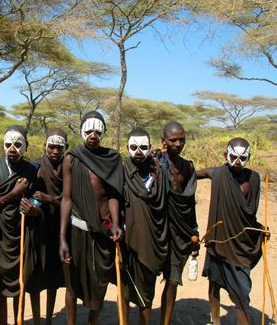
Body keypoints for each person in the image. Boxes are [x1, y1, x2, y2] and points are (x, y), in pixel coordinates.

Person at [59, 111, 125, 325]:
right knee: (72, 282)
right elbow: (67, 199)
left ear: (103, 132)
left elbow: (113, 195)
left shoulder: (112, 159)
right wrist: (62, 238)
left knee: (100, 282)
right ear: (81, 132)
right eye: (89, 131)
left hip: (103, 231)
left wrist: (115, 223)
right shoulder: (72, 158)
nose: (93, 135)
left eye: (98, 131)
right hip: (77, 228)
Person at [197, 137, 267, 325]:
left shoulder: (253, 178)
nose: (237, 162)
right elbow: (191, 174)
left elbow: (249, 214)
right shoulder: (217, 174)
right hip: (218, 240)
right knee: (214, 283)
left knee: (242, 294)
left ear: (249, 157)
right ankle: (215, 320)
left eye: (242, 158)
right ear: (225, 155)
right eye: (233, 157)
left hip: (240, 245)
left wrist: (259, 229)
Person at [0, 125, 44, 325]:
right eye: (9, 144)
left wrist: (34, 209)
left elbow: (36, 199)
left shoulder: (31, 169)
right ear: (3, 145)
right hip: (0, 234)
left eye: (18, 144)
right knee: (0, 282)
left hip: (22, 232)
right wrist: (15, 193)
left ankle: (18, 320)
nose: (13, 148)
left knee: (20, 281)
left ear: (25, 146)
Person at [123, 127, 169, 324]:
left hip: (152, 238)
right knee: (125, 286)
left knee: (147, 289)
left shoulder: (159, 172)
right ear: (127, 148)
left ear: (150, 147)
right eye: (134, 147)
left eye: (143, 147)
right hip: (127, 238)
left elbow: (166, 205)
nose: (138, 151)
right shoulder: (121, 169)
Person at [157, 121, 199, 324]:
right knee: (146, 279)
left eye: (182, 139)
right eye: (173, 140)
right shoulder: (154, 162)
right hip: (156, 229)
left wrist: (195, 232)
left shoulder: (188, 167)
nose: (177, 144)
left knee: (172, 281)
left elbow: (189, 203)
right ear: (163, 141)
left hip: (179, 232)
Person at [32, 128, 68, 325]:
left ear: (65, 148)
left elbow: (71, 199)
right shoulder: (35, 166)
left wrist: (50, 199)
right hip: (39, 228)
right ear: (45, 146)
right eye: (51, 146)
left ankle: (48, 319)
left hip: (60, 228)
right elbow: (30, 195)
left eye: (59, 147)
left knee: (54, 278)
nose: (55, 151)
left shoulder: (68, 167)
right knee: (37, 276)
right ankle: (37, 320)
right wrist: (35, 206)